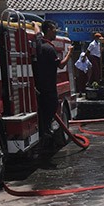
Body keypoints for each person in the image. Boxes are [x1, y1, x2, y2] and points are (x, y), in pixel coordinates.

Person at [35, 20, 73, 148]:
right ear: (49, 30)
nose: (56, 31)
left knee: (44, 114)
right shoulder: (49, 49)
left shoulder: (40, 44)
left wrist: (36, 26)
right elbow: (61, 64)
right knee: (51, 108)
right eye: (54, 29)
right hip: (49, 89)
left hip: (40, 88)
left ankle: (45, 132)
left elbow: (37, 35)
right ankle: (47, 131)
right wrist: (69, 53)